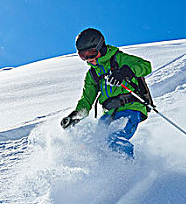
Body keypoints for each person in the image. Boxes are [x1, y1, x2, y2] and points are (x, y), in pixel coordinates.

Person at [60, 28, 152, 158]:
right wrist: (75, 116)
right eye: (82, 55)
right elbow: (87, 100)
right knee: (96, 145)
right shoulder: (92, 74)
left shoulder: (118, 59)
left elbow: (146, 66)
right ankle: (102, 174)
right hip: (108, 114)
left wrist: (125, 72)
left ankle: (128, 170)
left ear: (100, 47)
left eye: (91, 53)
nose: (88, 59)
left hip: (130, 108)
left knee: (115, 140)